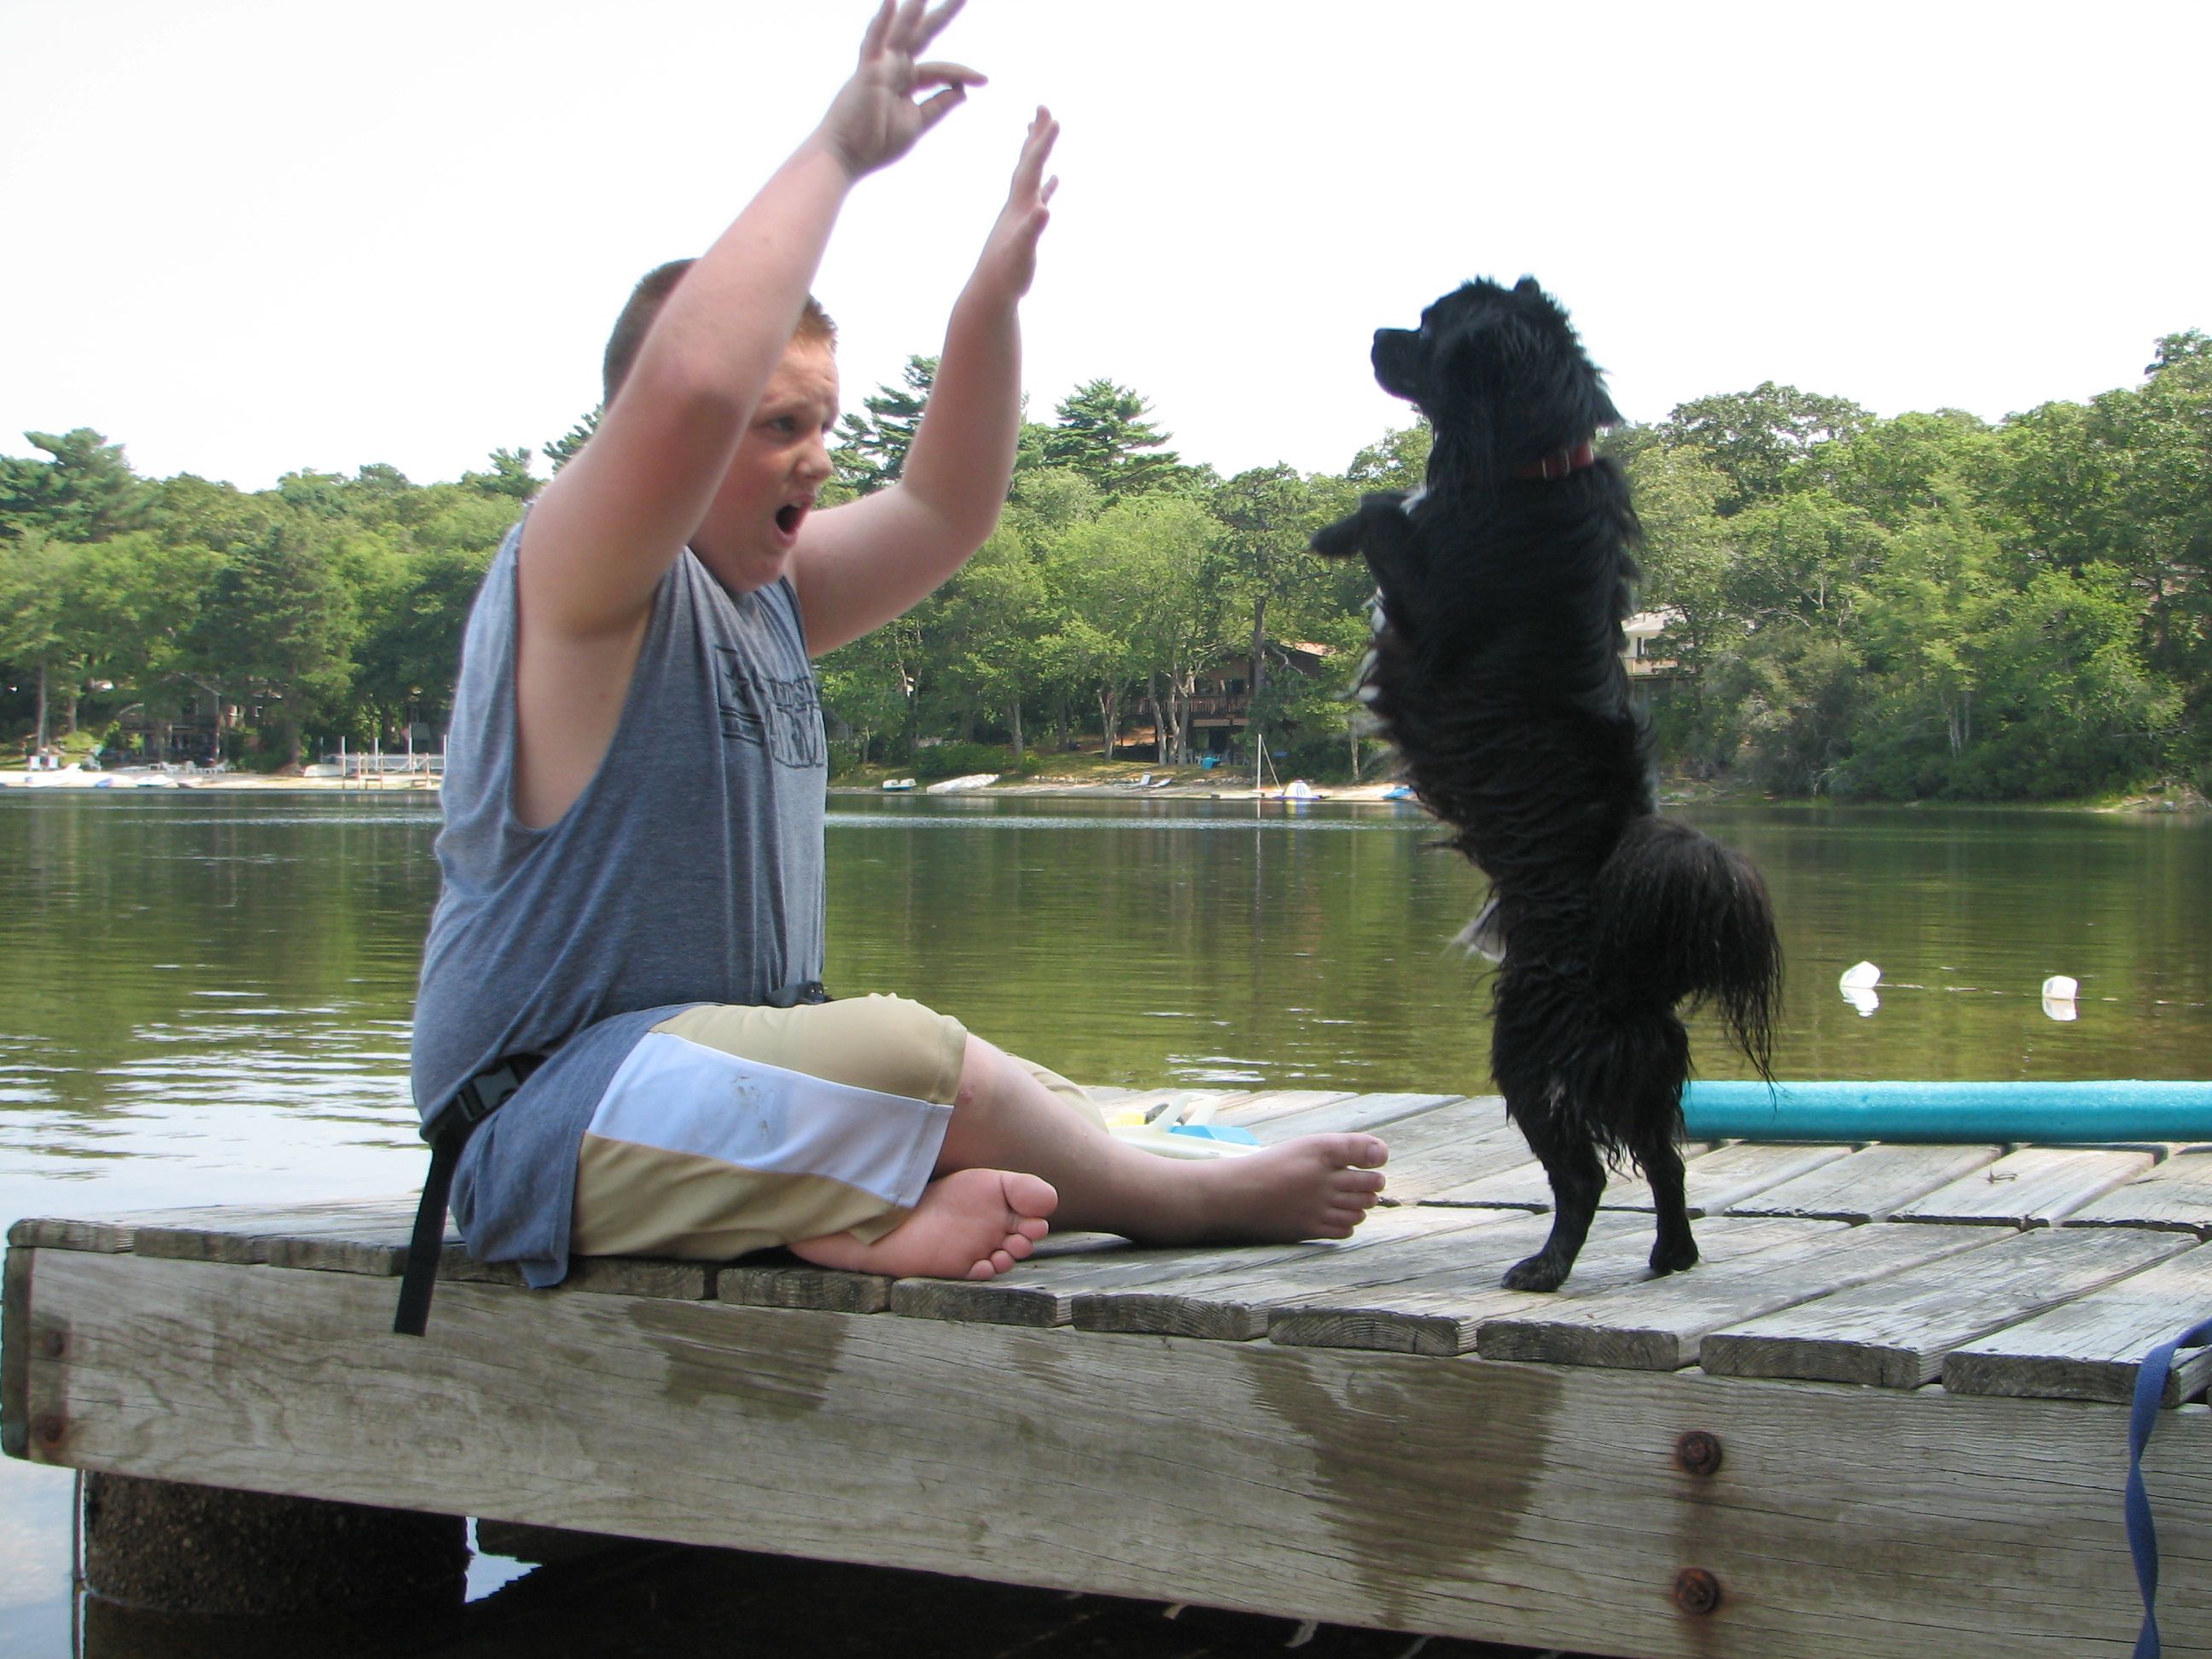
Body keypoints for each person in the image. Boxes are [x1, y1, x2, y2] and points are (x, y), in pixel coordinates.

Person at [410, 0, 1388, 1299]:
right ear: (656, 442)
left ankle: (846, 1217)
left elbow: (945, 508)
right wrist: (837, 152)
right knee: (918, 1059)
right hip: (543, 1122)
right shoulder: (581, 582)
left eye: (822, 419)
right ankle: (1177, 1203)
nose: (814, 455)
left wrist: (989, 297)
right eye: (776, 424)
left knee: (1028, 1092)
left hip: (715, 1098)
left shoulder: (768, 594)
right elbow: (692, 386)